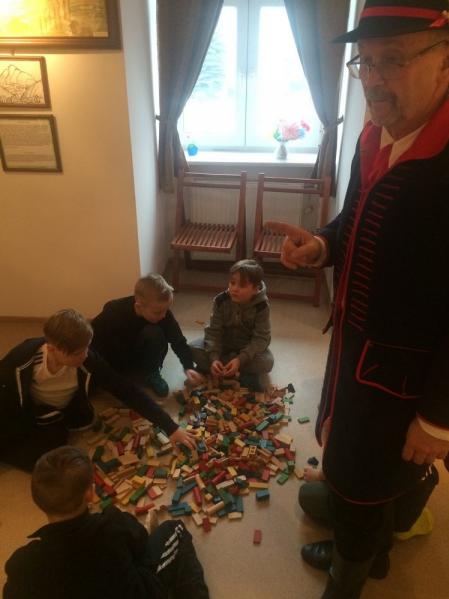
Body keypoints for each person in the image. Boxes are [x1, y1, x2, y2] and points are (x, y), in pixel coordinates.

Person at [267, 1, 449, 596]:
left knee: (371, 471)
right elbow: (355, 220)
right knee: (346, 450)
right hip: (354, 346)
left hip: (408, 373)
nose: (372, 78)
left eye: (392, 59)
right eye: (365, 62)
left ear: (445, 60)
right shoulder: (375, 134)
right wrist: (321, 246)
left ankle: (350, 572)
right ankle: (364, 526)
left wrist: (437, 419)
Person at [0, 309, 196, 472]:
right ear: (52, 349)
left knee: (52, 458)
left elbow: (127, 391)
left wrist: (171, 427)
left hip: (59, 416)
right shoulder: (22, 358)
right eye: (78, 353)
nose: (85, 355)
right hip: (25, 409)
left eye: (86, 348)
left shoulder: (88, 360)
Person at [3, 446, 209, 599]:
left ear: (38, 501)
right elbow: (141, 541)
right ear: (90, 494)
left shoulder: (21, 564)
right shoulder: (113, 525)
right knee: (175, 530)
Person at [91, 274, 204, 397]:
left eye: (166, 310)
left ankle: (152, 373)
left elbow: (178, 341)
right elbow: (93, 339)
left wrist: (188, 367)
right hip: (118, 356)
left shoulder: (162, 314)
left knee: (154, 332)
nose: (164, 316)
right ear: (138, 307)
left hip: (144, 355)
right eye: (158, 312)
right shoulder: (114, 311)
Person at [189, 259, 273, 391]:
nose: (234, 289)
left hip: (246, 348)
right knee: (191, 349)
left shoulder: (262, 306)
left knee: (267, 362)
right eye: (232, 283)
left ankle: (225, 369)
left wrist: (240, 359)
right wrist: (214, 358)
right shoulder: (220, 300)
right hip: (223, 345)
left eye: (242, 286)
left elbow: (261, 338)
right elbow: (213, 332)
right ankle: (234, 372)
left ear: (255, 289)